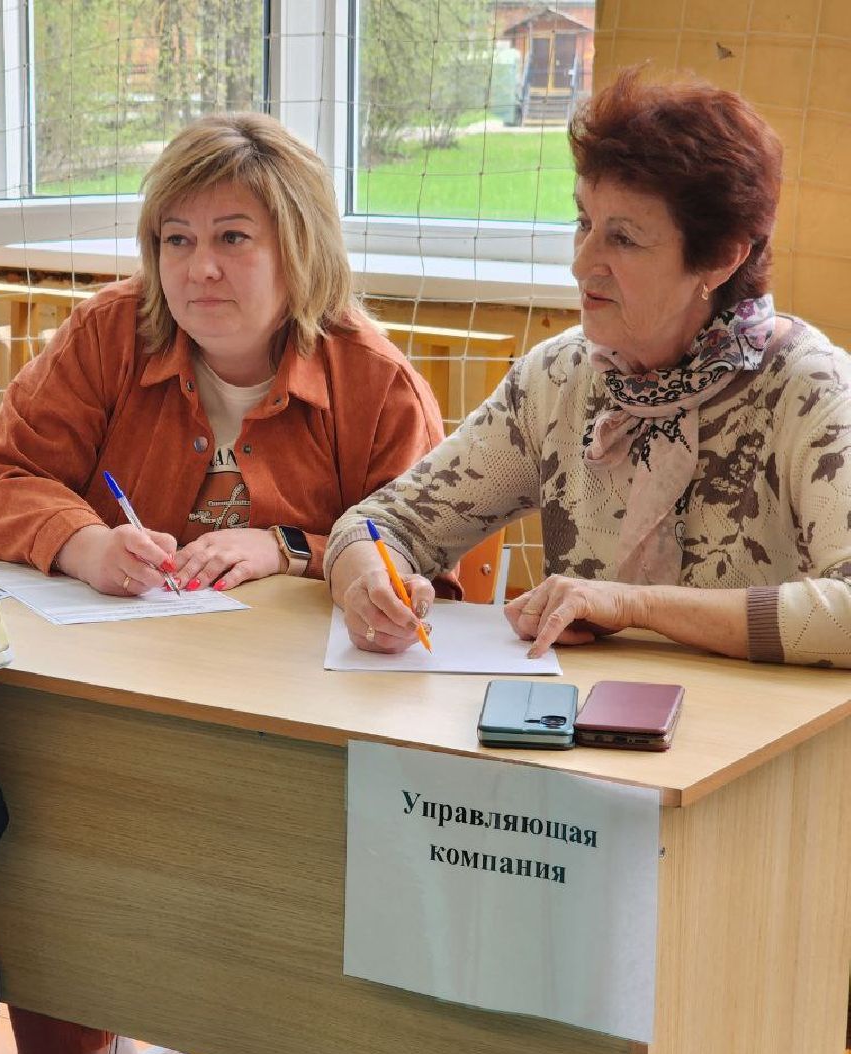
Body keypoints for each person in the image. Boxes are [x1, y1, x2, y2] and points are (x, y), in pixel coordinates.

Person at [0, 113, 449, 1054]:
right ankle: (88, 1048)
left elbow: (437, 568)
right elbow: (1, 475)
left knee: (273, 890)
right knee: (46, 792)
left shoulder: (375, 381)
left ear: (298, 247)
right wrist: (84, 542)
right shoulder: (111, 331)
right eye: (175, 241)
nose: (199, 270)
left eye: (234, 237)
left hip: (291, 723)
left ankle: (251, 1047)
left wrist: (296, 549)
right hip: (122, 677)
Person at [329, 68, 851, 670]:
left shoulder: (810, 392)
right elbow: (377, 526)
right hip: (584, 733)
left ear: (722, 257)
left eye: (623, 239)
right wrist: (369, 585)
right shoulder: (557, 379)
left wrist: (634, 606)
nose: (582, 265)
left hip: (762, 750)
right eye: (583, 222)